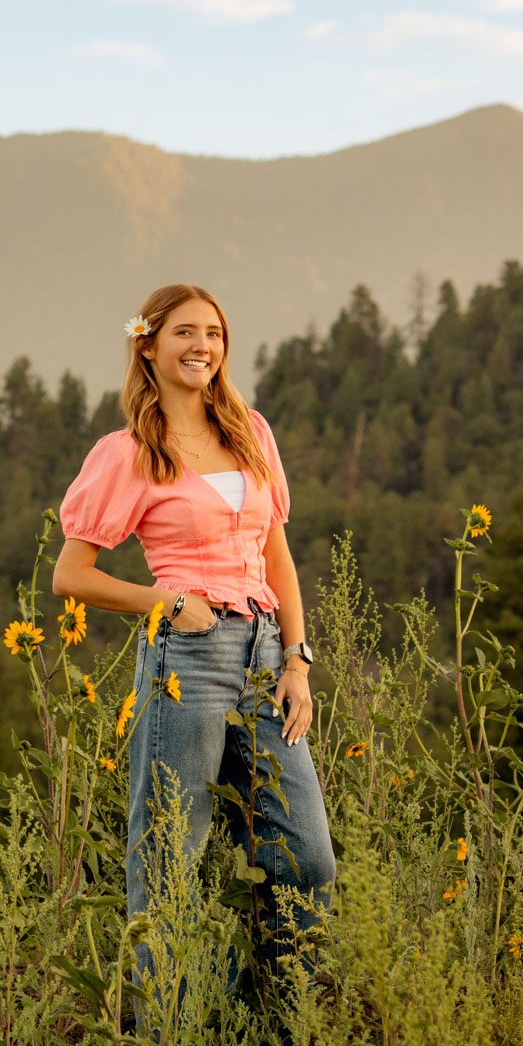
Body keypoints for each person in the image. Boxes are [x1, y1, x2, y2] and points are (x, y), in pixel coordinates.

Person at [53, 282, 336, 1000]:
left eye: (212, 333)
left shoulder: (250, 430)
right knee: (170, 860)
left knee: (306, 858)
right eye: (183, 332)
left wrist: (299, 660)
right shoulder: (129, 452)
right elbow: (71, 576)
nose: (201, 346)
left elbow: (278, 556)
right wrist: (166, 601)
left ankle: (283, 1030)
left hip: (268, 657)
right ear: (147, 343)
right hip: (188, 662)